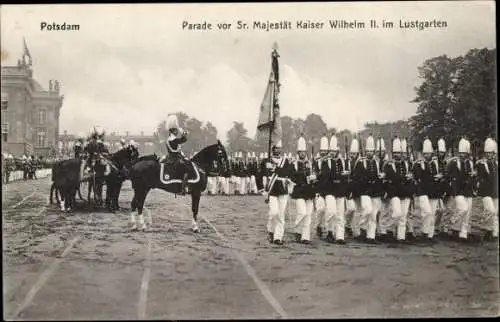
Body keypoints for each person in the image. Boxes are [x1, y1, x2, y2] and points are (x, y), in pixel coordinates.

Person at [261, 140, 292, 245]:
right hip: (272, 189)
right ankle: (270, 230)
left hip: (282, 188)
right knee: (274, 212)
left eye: (279, 148)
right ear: (273, 149)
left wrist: (288, 179)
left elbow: (289, 173)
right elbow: (261, 174)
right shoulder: (267, 161)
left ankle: (278, 237)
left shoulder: (285, 161)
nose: (278, 150)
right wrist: (263, 188)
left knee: (281, 214)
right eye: (276, 148)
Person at [290, 136, 316, 244]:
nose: (302, 154)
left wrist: (313, 177)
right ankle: (297, 230)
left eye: (304, 152)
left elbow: (313, 176)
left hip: (309, 191)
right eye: (301, 152)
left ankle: (305, 237)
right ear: (298, 152)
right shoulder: (294, 163)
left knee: (308, 215)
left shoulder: (309, 163)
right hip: (299, 191)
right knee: (302, 212)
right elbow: (292, 177)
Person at [161, 114, 189, 194]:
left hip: (171, 157)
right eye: (176, 131)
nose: (177, 132)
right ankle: (183, 189)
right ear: (173, 131)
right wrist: (183, 132)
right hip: (175, 159)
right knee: (187, 168)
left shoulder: (169, 139)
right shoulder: (173, 140)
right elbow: (184, 139)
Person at [476, 137, 498, 240]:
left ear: (494, 153)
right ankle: (487, 229)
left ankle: (493, 232)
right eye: (487, 153)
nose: (489, 155)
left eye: (491, 153)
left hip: (495, 191)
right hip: (485, 191)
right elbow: (481, 176)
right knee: (491, 210)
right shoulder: (481, 163)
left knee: (495, 212)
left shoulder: (496, 163)